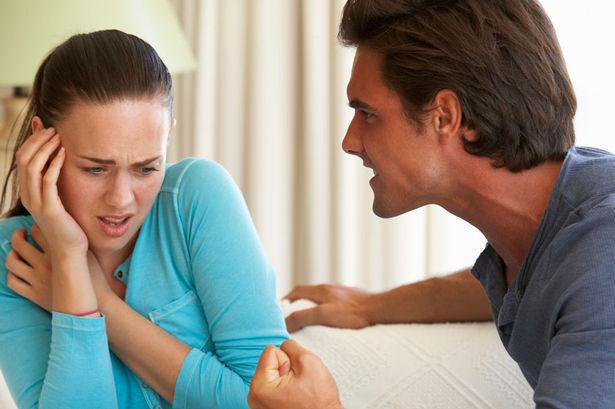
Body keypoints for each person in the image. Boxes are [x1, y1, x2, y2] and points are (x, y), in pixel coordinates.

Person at [248, 0, 615, 408]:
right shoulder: (557, 233)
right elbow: (514, 284)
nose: (349, 142)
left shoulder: (603, 256)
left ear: (444, 116)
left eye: (367, 114)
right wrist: (371, 307)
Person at [0, 30, 288, 408]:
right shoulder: (14, 255)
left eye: (147, 167)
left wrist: (100, 303)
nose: (121, 200)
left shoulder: (196, 197)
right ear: (43, 142)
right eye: (95, 169)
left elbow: (269, 400)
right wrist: (69, 257)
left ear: (167, 134)